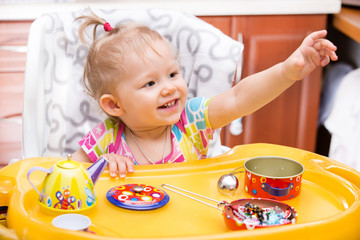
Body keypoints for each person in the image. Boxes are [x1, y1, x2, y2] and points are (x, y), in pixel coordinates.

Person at [71, 10, 338, 178]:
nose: (169, 87)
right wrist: (99, 167)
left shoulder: (192, 121)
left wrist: (286, 71)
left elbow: (238, 99)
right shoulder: (104, 141)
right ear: (114, 105)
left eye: (173, 74)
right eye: (150, 84)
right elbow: (65, 178)